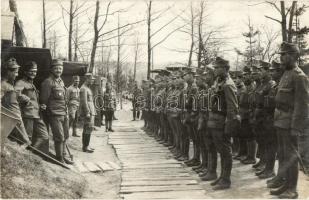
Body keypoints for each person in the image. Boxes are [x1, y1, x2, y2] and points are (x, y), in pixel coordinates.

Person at [271, 42, 309, 199]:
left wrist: (296, 128)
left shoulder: (299, 76)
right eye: (281, 54)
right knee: (283, 155)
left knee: (290, 157)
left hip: (289, 123)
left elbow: (302, 105)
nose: (281, 57)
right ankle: (286, 184)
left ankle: (292, 189)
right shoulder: (286, 74)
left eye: (284, 54)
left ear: (294, 56)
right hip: (280, 120)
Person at [207, 57, 240, 190]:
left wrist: (229, 127)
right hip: (215, 122)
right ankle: (221, 177)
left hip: (222, 123)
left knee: (225, 152)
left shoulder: (228, 84)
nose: (214, 70)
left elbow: (232, 108)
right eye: (214, 68)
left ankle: (226, 180)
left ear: (225, 69)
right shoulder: (219, 82)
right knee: (221, 150)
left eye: (217, 68)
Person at [40, 59, 73, 164]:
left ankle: (63, 155)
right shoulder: (48, 82)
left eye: (60, 68)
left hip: (64, 113)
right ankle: (59, 158)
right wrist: (49, 113)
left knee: (66, 135)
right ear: (52, 69)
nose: (58, 70)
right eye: (56, 68)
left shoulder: (61, 81)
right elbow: (43, 101)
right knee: (59, 136)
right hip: (54, 114)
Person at [15, 61, 49, 154]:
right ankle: (23, 155)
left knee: (44, 135)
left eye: (35, 71)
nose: (33, 73)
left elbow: (34, 100)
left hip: (37, 114)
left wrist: (41, 106)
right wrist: (25, 99)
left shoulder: (32, 84)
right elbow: (15, 94)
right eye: (31, 71)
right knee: (27, 137)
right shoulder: (21, 82)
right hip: (27, 114)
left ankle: (30, 153)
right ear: (25, 72)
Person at [1, 58, 30, 144]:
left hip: (16, 116)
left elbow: (13, 97)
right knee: (25, 140)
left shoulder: (10, 84)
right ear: (8, 72)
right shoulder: (3, 84)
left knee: (25, 139)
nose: (16, 75)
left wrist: (23, 97)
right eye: (15, 72)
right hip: (11, 117)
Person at [79, 73, 96, 153]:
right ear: (87, 79)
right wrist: (87, 112)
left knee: (89, 129)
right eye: (91, 79)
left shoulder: (87, 88)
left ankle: (86, 145)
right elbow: (84, 102)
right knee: (87, 129)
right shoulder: (83, 88)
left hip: (91, 111)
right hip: (88, 112)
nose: (92, 81)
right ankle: (85, 147)